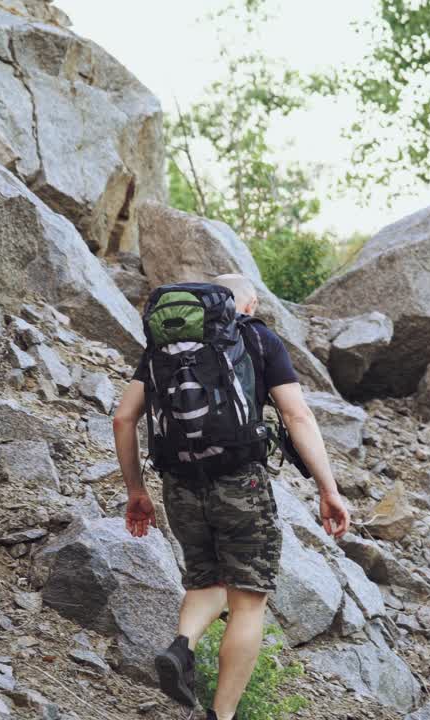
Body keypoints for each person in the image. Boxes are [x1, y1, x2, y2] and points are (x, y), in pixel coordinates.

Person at [111, 273, 350, 720]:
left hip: (179, 484)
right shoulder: (258, 339)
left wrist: (136, 491)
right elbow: (297, 416)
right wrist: (328, 489)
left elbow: (124, 419)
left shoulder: (164, 348)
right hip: (242, 480)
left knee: (207, 582)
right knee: (247, 599)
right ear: (250, 303)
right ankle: (221, 716)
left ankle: (182, 647)